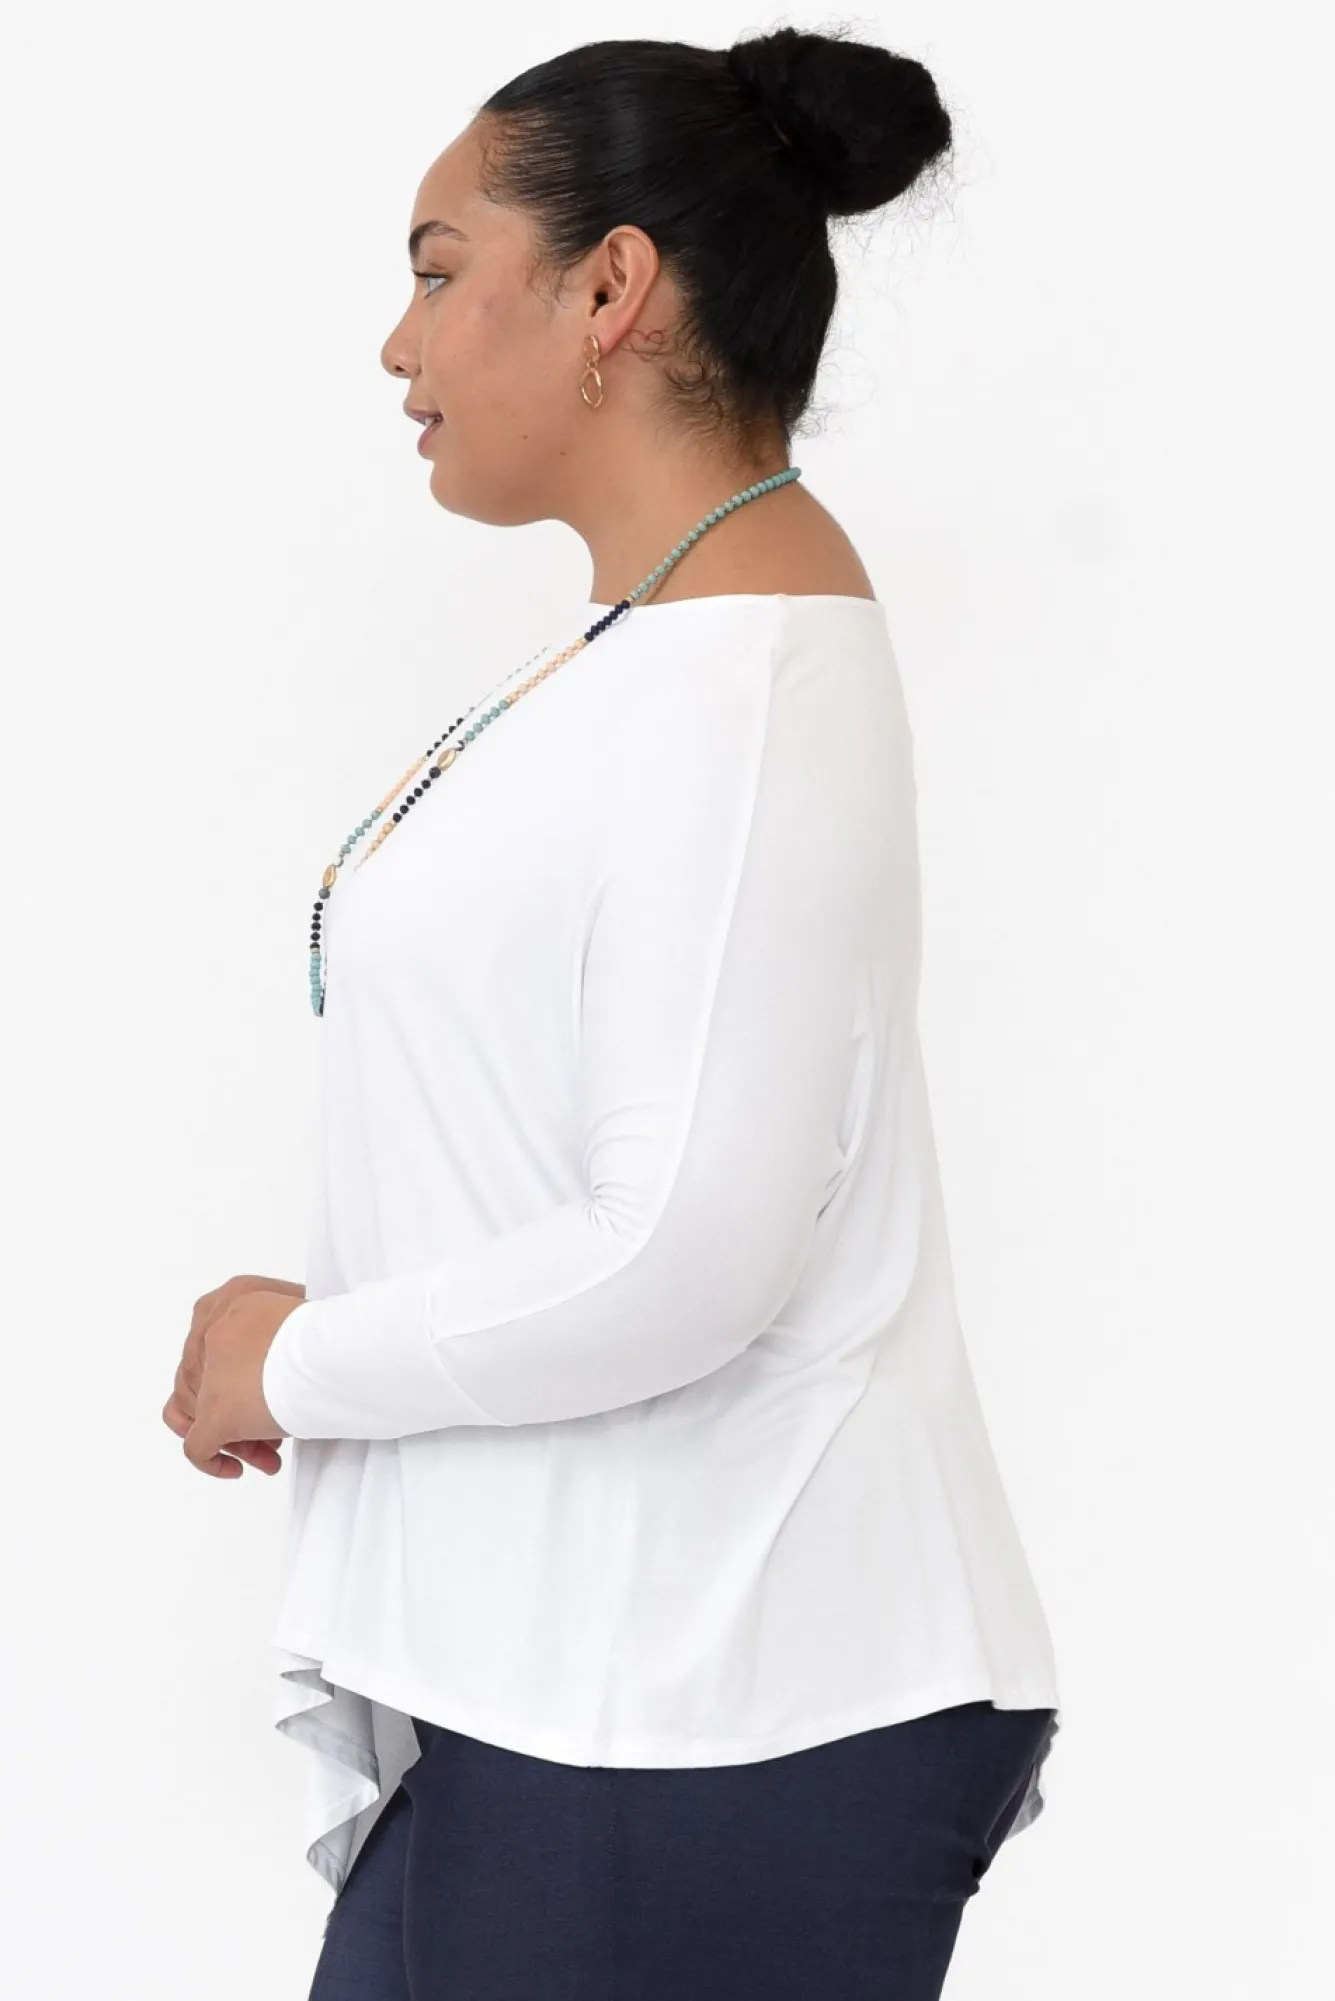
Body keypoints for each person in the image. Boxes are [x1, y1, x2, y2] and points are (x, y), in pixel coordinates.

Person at [164, 26, 1062, 1999]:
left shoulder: (746, 693)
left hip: (711, 1712)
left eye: (437, 270)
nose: (398, 345)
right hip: (592, 1692)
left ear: (609, 290)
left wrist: (297, 1360)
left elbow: (684, 1254)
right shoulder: (664, 654)